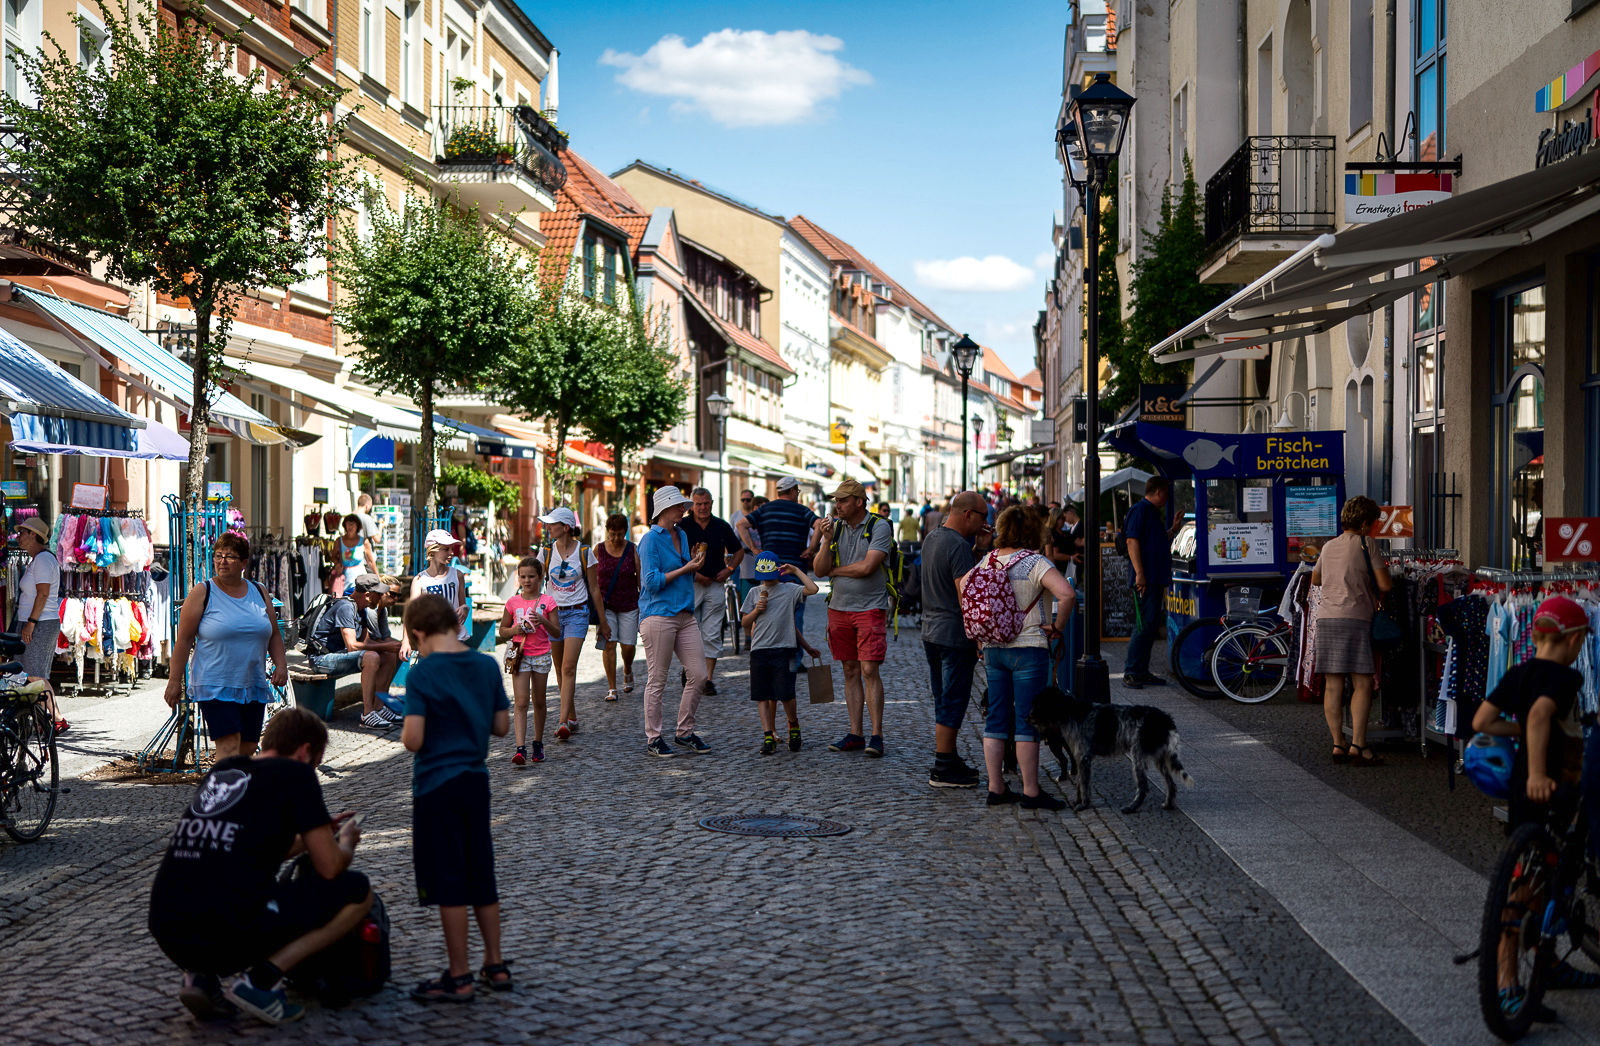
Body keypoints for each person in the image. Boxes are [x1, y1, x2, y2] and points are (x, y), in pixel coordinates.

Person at [147, 707, 372, 1026]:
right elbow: (330, 868)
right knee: (358, 891)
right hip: (228, 930)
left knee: (214, 879)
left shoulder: (224, 772)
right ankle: (262, 982)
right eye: (316, 763)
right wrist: (346, 841)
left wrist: (316, 833)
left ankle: (200, 977)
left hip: (166, 926)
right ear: (305, 752)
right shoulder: (297, 774)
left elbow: (247, 851)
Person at [1472, 595, 1597, 1018]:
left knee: (1539, 877)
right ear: (1574, 637)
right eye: (1583, 639)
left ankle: (1550, 963)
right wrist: (1539, 773)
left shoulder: (1519, 671)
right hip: (1551, 790)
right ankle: (1508, 984)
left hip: (1522, 795)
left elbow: (1482, 722)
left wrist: (1522, 733)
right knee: (1528, 886)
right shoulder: (1564, 679)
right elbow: (1543, 714)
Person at [400, 594, 512, 1001]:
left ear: (418, 633)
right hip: (474, 781)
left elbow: (413, 739)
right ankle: (495, 965)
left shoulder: (423, 674)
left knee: (449, 878)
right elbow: (501, 726)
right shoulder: (485, 664)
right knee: (481, 871)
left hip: (435, 785)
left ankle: (459, 974)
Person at [959, 506, 1075, 810]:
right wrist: (1057, 626)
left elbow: (963, 586)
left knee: (996, 717)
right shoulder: (1036, 563)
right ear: (1033, 531)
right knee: (1028, 719)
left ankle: (996, 788)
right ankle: (1031, 791)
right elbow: (1067, 594)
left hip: (994, 648)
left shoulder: (989, 560)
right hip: (1029, 648)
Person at [165, 531, 289, 761]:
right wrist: (174, 682)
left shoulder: (259, 591)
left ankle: (237, 792)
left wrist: (282, 665)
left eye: (230, 556)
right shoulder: (203, 592)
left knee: (248, 747)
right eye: (218, 555)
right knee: (229, 746)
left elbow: (273, 634)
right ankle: (222, 796)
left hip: (252, 682)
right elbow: (183, 641)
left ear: (244, 563)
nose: (222, 561)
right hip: (215, 683)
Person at [813, 477, 895, 758]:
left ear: (859, 502)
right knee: (849, 670)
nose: (837, 505)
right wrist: (825, 541)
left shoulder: (879, 526)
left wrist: (835, 572)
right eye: (836, 500)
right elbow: (819, 569)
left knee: (869, 670)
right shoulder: (834, 529)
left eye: (843, 500)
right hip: (838, 608)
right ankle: (855, 733)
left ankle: (877, 735)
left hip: (870, 607)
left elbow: (868, 567)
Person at [1310, 495, 1394, 765]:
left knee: (1333, 684)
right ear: (1365, 523)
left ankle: (1338, 744)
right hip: (1356, 618)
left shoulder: (1328, 545)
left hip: (1327, 618)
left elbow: (1316, 578)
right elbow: (1384, 585)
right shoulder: (1366, 543)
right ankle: (1359, 745)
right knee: (1362, 682)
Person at [921, 490, 989, 788]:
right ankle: (943, 765)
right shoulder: (958, 545)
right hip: (953, 633)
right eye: (984, 516)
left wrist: (978, 550)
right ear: (968, 514)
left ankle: (948, 755)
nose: (987, 523)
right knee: (954, 698)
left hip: (931, 630)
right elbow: (965, 592)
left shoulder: (933, 538)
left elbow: (954, 575)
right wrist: (978, 634)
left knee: (943, 696)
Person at [638, 485, 710, 757]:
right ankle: (654, 737)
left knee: (699, 675)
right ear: (666, 508)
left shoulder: (681, 532)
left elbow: (682, 575)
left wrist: (692, 564)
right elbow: (652, 582)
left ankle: (684, 732)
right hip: (658, 615)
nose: (685, 508)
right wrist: (686, 568)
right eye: (680, 505)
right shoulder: (650, 540)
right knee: (657, 680)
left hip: (684, 613)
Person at [538, 506, 609, 741]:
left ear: (566, 527)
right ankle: (572, 716)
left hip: (578, 613)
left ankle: (562, 722)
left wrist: (603, 621)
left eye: (552, 524)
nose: (548, 528)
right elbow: (533, 581)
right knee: (559, 669)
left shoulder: (585, 552)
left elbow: (595, 588)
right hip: (552, 616)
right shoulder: (545, 552)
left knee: (568, 667)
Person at [736, 476, 825, 659]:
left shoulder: (765, 510)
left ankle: (769, 652)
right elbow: (819, 525)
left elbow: (741, 525)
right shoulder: (802, 510)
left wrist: (754, 549)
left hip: (769, 571)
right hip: (794, 570)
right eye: (797, 491)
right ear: (792, 491)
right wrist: (811, 548)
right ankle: (795, 658)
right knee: (796, 613)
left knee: (767, 611)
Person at [741, 553, 818, 755]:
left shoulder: (790, 590)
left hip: (786, 650)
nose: (766, 578)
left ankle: (793, 725)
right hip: (759, 650)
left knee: (787, 693)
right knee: (762, 695)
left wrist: (796, 570)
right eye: (762, 574)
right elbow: (745, 623)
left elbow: (813, 589)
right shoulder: (754, 593)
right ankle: (768, 735)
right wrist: (756, 611)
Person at [309, 574, 402, 728]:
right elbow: (352, 645)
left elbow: (366, 642)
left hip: (340, 655)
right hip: (322, 659)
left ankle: (379, 707)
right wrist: (385, 646)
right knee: (371, 657)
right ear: (367, 595)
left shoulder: (361, 609)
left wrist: (392, 647)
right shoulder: (345, 607)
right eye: (378, 594)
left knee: (389, 655)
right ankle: (367, 714)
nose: (380, 598)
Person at [679, 488, 744, 695]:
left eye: (706, 503)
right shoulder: (683, 527)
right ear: (692, 506)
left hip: (715, 583)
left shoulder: (721, 526)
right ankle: (689, 670)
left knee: (713, 631)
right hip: (691, 584)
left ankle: (707, 679)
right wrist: (694, 573)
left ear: (712, 503)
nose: (703, 508)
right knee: (690, 630)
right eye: (699, 504)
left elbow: (739, 550)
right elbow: (675, 555)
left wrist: (729, 570)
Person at [1122, 476, 1182, 689]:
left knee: (1149, 626)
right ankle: (1131, 672)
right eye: (1166, 494)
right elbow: (1132, 540)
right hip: (1146, 579)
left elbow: (1154, 542)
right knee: (1143, 625)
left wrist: (1174, 529)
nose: (1167, 498)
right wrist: (1140, 574)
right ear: (1157, 491)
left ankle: (1141, 671)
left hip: (1154, 578)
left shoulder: (1150, 512)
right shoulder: (1141, 510)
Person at [500, 556, 557, 765]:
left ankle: (538, 743)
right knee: (521, 702)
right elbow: (503, 630)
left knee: (540, 701)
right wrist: (514, 629)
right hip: (520, 655)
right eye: (523, 576)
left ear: (541, 578)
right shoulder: (513, 602)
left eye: (531, 576)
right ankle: (520, 748)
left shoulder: (548, 602)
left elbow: (557, 631)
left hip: (541, 655)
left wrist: (542, 620)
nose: (527, 580)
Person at [14, 516, 65, 732]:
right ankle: (41, 718)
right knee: (29, 673)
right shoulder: (38, 560)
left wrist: (31, 623)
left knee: (36, 673)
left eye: (23, 533)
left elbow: (43, 594)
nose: (19, 537)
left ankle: (57, 718)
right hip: (36, 623)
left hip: (41, 624)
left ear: (34, 535)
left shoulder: (44, 560)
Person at [595, 513, 641, 702]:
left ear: (625, 532)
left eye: (620, 534)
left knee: (628, 646)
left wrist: (643, 598)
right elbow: (591, 576)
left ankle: (627, 669)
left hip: (629, 603)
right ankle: (612, 687)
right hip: (606, 604)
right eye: (612, 534)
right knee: (609, 644)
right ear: (607, 531)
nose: (615, 538)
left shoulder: (632, 550)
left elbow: (639, 577)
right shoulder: (598, 550)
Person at [406, 531, 470, 650]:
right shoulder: (420, 580)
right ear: (433, 550)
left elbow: (463, 604)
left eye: (452, 549)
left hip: (455, 638)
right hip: (431, 641)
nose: (451, 553)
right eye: (446, 549)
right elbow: (411, 614)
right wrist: (406, 642)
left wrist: (465, 609)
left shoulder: (458, 575)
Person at [735, 495, 768, 608]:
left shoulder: (768, 523)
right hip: (748, 564)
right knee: (748, 600)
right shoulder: (745, 522)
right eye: (758, 506)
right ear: (754, 507)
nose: (760, 510)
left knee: (765, 599)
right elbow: (734, 541)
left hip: (765, 566)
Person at [333, 514, 376, 597]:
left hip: (361, 578)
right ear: (344, 525)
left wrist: (377, 577)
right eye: (348, 524)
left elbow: (370, 561)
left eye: (352, 524)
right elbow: (333, 556)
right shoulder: (339, 541)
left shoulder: (363, 541)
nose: (350, 527)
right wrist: (337, 564)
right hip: (345, 580)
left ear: (357, 526)